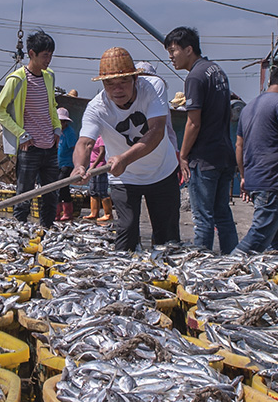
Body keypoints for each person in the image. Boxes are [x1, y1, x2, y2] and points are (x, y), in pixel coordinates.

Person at [70, 47, 180, 252]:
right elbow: (85, 142)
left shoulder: (153, 87)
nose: (117, 89)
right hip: (125, 178)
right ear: (103, 84)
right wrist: (79, 166)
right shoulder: (96, 107)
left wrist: (125, 159)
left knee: (167, 237)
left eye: (123, 82)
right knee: (126, 231)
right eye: (110, 84)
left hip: (162, 172)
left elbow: (157, 131)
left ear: (135, 80)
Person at [165, 26, 238, 253]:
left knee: (203, 218)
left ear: (189, 49)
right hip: (225, 155)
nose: (170, 56)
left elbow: (193, 122)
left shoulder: (195, 77)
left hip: (204, 158)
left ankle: (200, 268)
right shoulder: (217, 71)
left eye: (173, 50)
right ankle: (232, 261)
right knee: (223, 214)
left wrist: (183, 155)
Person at [0, 30, 62, 227]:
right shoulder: (17, 79)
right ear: (31, 54)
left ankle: (47, 230)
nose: (49, 60)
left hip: (50, 147)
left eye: (51, 55)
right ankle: (19, 232)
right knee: (24, 194)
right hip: (29, 148)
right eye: (45, 55)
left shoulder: (49, 77)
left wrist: (57, 129)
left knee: (51, 195)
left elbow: (52, 105)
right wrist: (21, 134)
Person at [234, 66, 278, 254]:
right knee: (260, 235)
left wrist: (244, 177)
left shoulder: (249, 106)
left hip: (256, 179)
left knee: (274, 241)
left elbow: (239, 146)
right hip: (272, 180)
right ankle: (226, 267)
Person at [82, 136, 113, 223]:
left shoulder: (101, 139)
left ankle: (108, 214)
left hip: (100, 167)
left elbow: (102, 152)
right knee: (93, 190)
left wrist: (94, 166)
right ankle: (94, 213)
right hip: (92, 168)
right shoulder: (93, 139)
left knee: (102, 190)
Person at [55, 107, 77, 220]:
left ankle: (67, 213)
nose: (61, 123)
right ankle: (57, 213)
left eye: (62, 121)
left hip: (67, 164)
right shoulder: (58, 132)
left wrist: (76, 164)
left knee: (61, 187)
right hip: (59, 163)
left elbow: (74, 148)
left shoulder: (69, 132)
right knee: (59, 187)